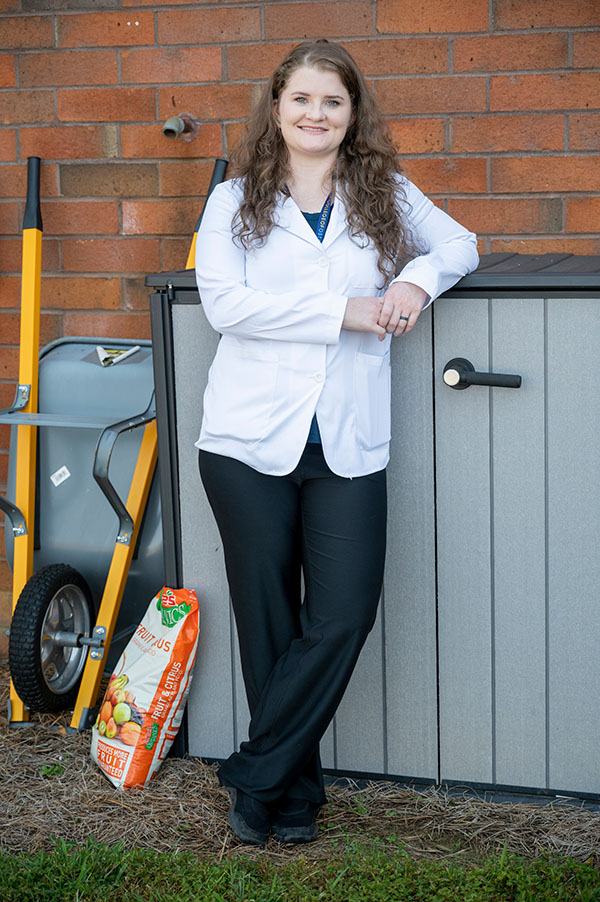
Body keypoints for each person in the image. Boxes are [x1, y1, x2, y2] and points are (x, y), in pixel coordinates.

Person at [195, 39, 478, 846]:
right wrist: (346, 312)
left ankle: (254, 770)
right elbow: (225, 305)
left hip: (348, 442)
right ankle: (288, 799)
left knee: (345, 613)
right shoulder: (234, 199)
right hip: (248, 441)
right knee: (269, 618)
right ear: (277, 109)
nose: (316, 114)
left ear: (353, 114)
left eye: (333, 101)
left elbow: (460, 244)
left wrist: (410, 282)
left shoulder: (382, 189)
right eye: (301, 100)